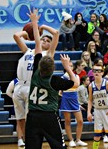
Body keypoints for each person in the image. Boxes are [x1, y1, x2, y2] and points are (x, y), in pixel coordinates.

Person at [25, 9, 79, 149]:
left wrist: (35, 23)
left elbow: (39, 42)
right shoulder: (55, 80)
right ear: (53, 67)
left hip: (33, 114)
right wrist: (67, 68)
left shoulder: (36, 69)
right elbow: (75, 83)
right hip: (48, 115)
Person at [13, 9, 59, 147]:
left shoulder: (47, 54)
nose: (44, 41)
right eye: (43, 39)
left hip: (32, 87)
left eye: (47, 40)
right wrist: (27, 34)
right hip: (19, 85)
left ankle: (30, 139)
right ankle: (21, 138)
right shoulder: (28, 50)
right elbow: (16, 36)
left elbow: (55, 33)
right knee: (20, 117)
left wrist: (41, 27)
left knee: (29, 118)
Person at [87, 64, 108, 149]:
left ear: (102, 73)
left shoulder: (107, 83)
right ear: (92, 72)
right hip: (97, 111)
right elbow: (90, 100)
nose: (96, 72)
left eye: (99, 71)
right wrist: (89, 112)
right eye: (95, 70)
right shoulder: (91, 86)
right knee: (97, 136)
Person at [60, 61, 88, 147]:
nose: (70, 67)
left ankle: (78, 139)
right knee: (67, 121)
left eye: (71, 66)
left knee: (80, 121)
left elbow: (76, 85)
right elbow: (60, 91)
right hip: (66, 100)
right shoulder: (62, 77)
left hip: (74, 100)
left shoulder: (76, 77)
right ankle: (71, 140)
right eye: (69, 65)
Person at [6, 78, 25, 147]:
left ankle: (27, 139)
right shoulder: (14, 81)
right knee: (19, 121)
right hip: (18, 104)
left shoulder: (30, 80)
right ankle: (20, 139)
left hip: (28, 104)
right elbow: (8, 92)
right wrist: (16, 98)